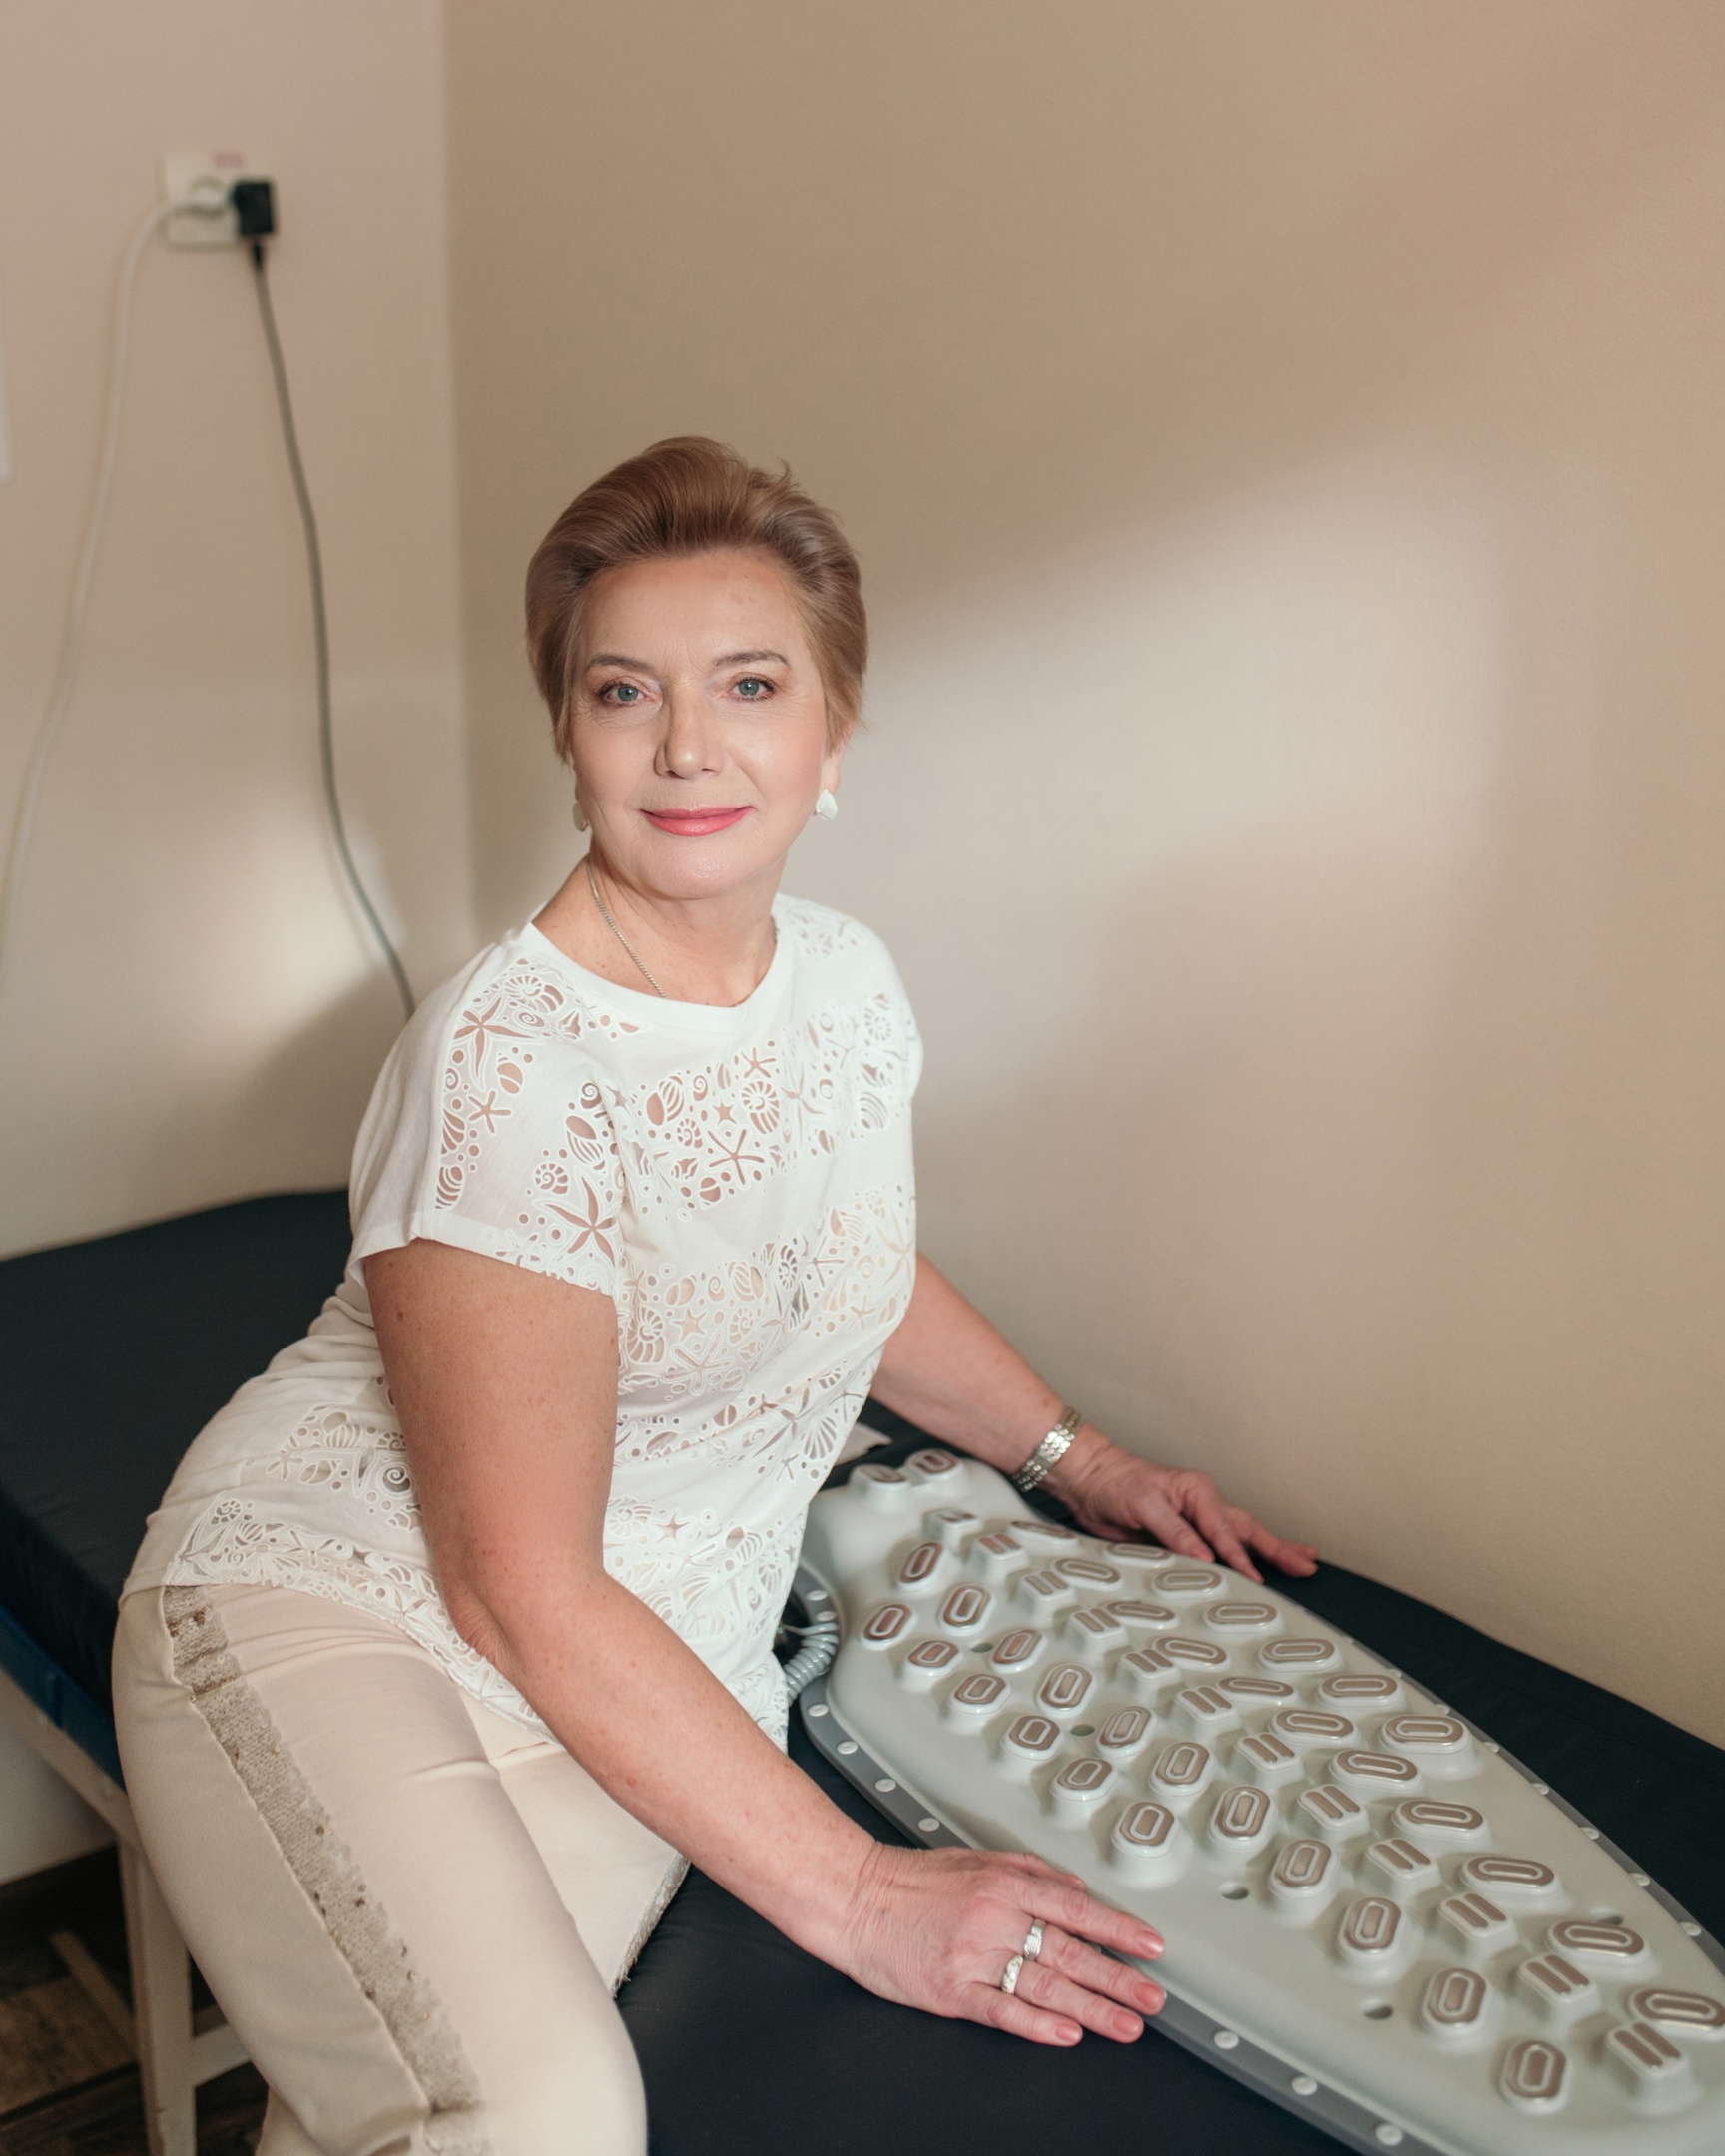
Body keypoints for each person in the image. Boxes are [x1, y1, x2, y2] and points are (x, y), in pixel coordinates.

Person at [115, 437, 1317, 2156]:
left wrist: (1081, 1456)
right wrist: (864, 1897)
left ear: (835, 732)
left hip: (649, 1646)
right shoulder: (508, 1068)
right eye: (626, 693)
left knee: (411, 2106)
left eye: (749, 685)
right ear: (570, 736)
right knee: (539, 2116)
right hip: (350, 1612)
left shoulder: (843, 981)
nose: (688, 746)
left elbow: (842, 1265)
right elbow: (511, 1579)